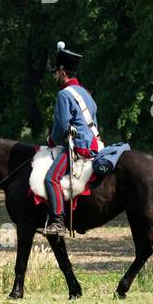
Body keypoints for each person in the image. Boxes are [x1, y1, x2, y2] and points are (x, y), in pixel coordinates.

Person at [41, 41, 101, 237]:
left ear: (62, 71)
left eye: (55, 73)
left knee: (51, 179)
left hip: (79, 147)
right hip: (95, 144)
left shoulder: (64, 95)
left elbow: (61, 128)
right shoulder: (86, 93)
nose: (55, 77)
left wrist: (51, 140)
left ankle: (57, 222)